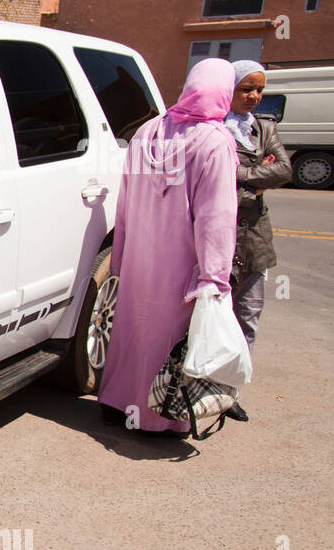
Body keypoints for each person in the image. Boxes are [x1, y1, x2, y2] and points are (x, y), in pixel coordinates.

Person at [98, 58, 239, 436]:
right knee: (170, 340)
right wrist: (215, 276)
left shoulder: (147, 131)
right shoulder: (216, 142)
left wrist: (121, 257)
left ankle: (117, 401)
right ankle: (157, 416)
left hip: (140, 259)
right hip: (182, 264)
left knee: (131, 330)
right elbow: (217, 217)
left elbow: (125, 202)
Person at [221, 59, 291, 422]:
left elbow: (284, 169)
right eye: (246, 88)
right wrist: (257, 179)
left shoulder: (263, 127)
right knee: (209, 316)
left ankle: (231, 392)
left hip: (255, 239)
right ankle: (200, 387)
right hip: (219, 235)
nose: (254, 96)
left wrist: (240, 174)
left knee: (247, 317)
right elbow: (213, 178)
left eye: (258, 89)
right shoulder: (211, 128)